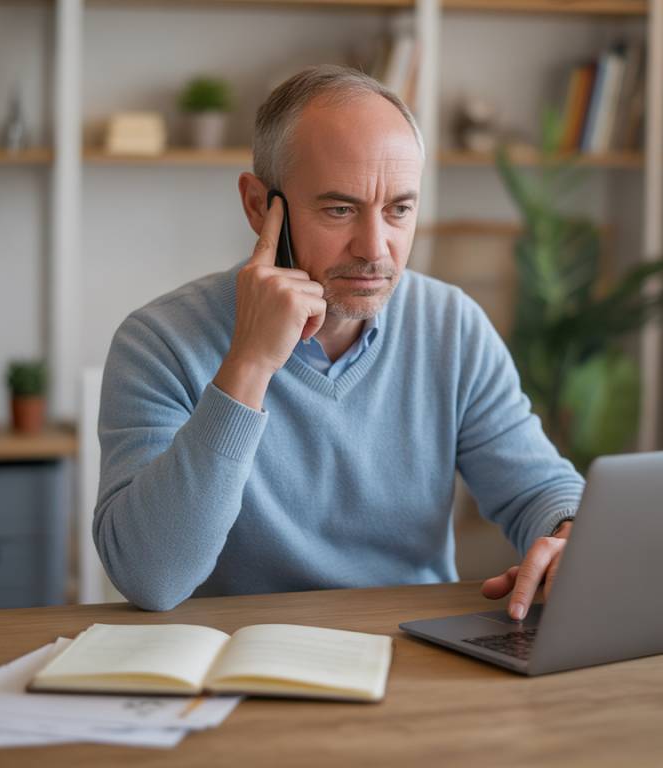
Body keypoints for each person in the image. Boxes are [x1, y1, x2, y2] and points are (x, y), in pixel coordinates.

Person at [95, 64, 584, 618]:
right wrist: (250, 363)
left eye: (399, 209)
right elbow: (151, 578)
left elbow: (536, 488)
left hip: (414, 647)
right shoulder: (159, 342)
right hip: (242, 652)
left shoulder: (452, 326)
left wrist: (567, 535)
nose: (375, 248)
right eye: (340, 209)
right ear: (258, 206)